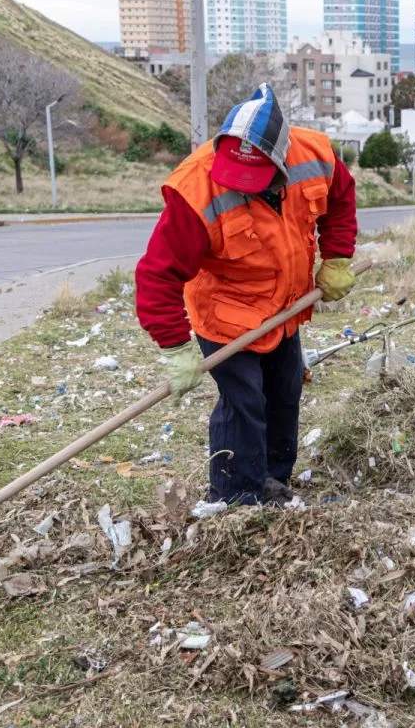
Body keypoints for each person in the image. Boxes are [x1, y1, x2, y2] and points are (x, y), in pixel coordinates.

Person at [135, 83, 358, 507]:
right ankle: (236, 498)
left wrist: (337, 257)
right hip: (226, 317)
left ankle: (273, 483)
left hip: (285, 309)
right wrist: (175, 347)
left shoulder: (315, 156)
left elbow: (341, 200)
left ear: (281, 158)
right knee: (243, 404)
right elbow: (156, 275)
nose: (243, 185)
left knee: (284, 396)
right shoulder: (195, 189)